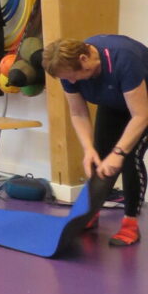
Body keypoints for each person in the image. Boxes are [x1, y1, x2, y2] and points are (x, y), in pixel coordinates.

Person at [43, 36, 148, 246]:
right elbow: (78, 113)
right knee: (98, 158)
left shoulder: (123, 60)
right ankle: (89, 214)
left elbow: (141, 115)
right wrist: (88, 148)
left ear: (84, 59)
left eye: (73, 77)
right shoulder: (67, 70)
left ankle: (130, 224)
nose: (71, 82)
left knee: (128, 158)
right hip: (113, 102)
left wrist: (118, 153)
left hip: (143, 106)